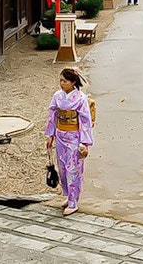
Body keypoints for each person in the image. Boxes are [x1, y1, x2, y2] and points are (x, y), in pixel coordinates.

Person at [44, 68, 94, 216]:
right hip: (60, 135)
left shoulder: (81, 98)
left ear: (73, 82)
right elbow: (52, 115)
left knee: (73, 168)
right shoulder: (57, 96)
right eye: (60, 80)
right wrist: (50, 135)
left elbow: (85, 120)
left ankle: (73, 202)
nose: (61, 83)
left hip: (74, 137)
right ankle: (69, 195)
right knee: (63, 168)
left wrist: (85, 142)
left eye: (65, 81)